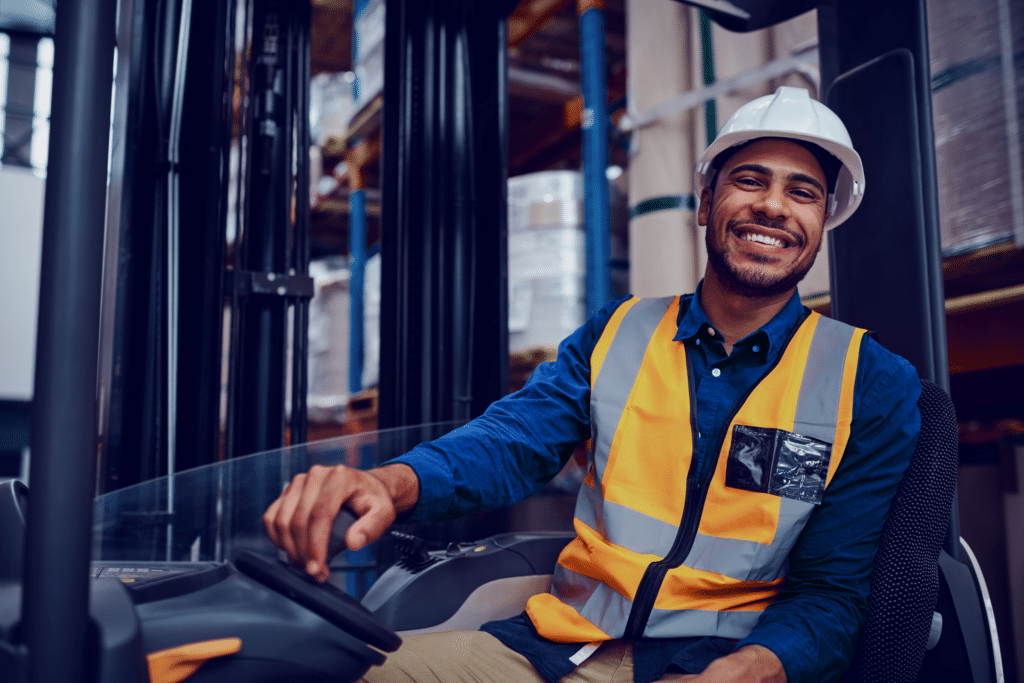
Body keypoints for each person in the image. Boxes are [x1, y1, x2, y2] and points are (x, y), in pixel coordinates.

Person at [264, 86, 921, 683]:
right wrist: (387, 482)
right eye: (750, 180)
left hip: (723, 666)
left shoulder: (869, 383)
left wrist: (755, 668)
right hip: (557, 650)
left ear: (821, 223)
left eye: (802, 191)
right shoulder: (620, 333)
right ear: (705, 201)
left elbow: (833, 593)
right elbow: (512, 440)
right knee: (345, 672)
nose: (774, 205)